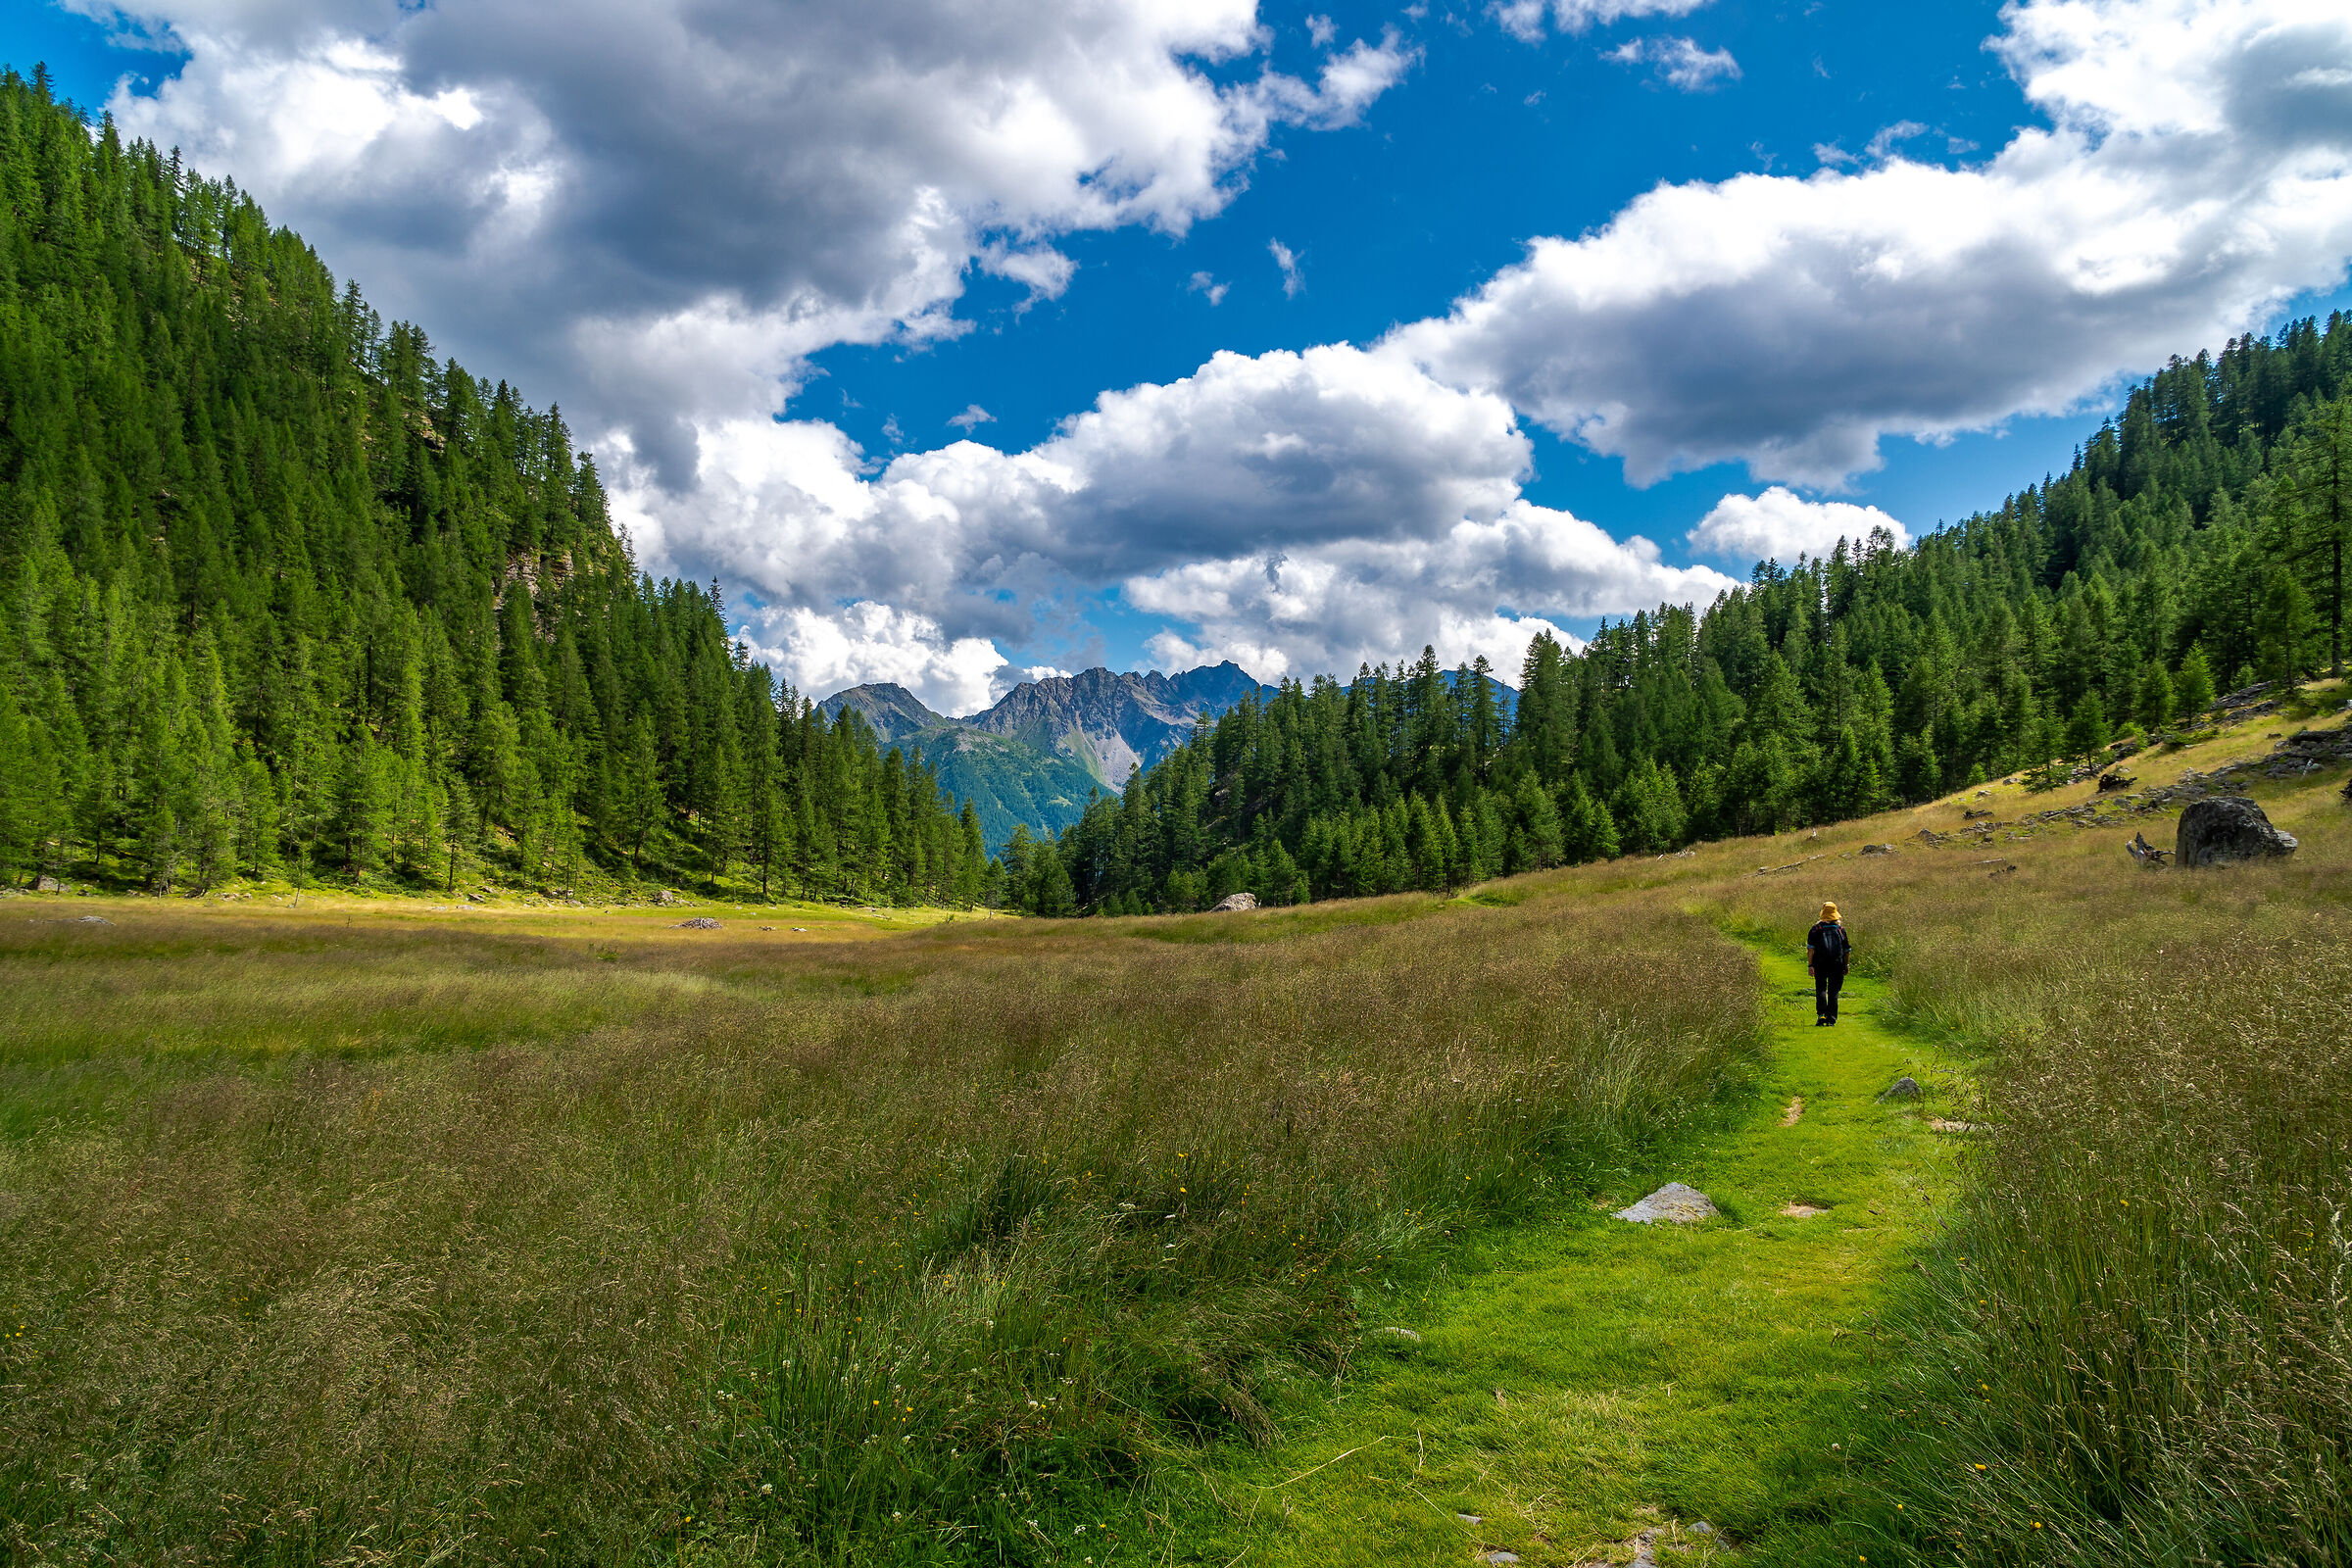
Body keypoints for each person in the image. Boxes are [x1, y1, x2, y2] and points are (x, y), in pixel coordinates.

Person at [1806, 902, 1850, 1026]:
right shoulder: (1841, 930)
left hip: (1820, 963)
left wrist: (1810, 965)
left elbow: (1811, 949)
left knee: (1820, 988)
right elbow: (1847, 950)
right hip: (1837, 963)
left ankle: (1822, 1015)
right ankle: (1831, 1018)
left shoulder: (1815, 929)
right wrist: (1846, 965)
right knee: (1833, 992)